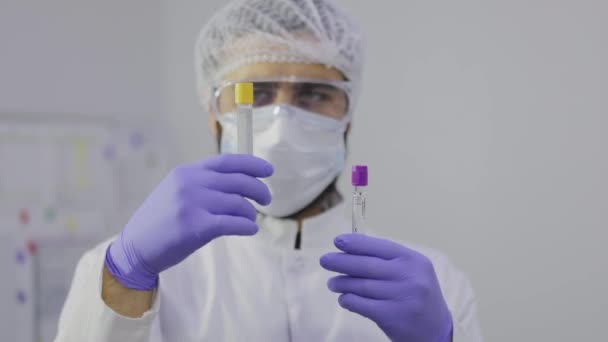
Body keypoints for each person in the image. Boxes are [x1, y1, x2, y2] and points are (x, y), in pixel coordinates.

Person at [56, 0, 482, 341]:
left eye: (314, 94)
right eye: (255, 94)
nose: (282, 122)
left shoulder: (430, 284)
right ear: (213, 113)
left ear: (347, 116)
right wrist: (123, 279)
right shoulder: (133, 271)